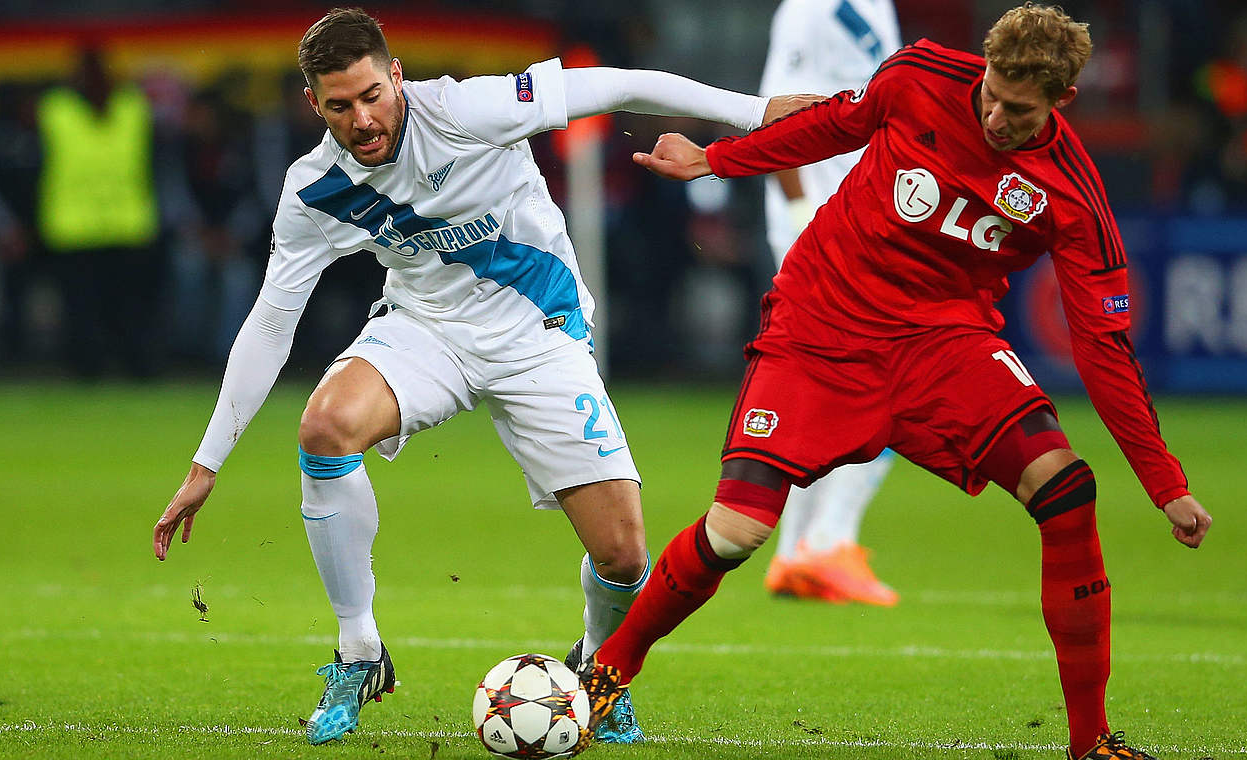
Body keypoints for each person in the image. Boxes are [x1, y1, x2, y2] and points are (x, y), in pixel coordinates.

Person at [149, 7, 811, 748]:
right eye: (340, 105)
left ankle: (597, 669)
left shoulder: (466, 109)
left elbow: (620, 85)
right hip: (425, 330)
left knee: (624, 555)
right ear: (315, 104)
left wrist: (752, 112)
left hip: (539, 334)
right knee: (325, 426)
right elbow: (272, 321)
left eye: (373, 95)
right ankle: (358, 651)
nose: (363, 118)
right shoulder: (315, 190)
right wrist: (207, 463)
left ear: (395, 75)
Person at [578, 5, 1213, 760]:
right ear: (983, 66)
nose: (997, 116)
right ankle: (607, 673)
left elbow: (1104, 348)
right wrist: (718, 161)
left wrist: (1164, 481)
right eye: (992, 95)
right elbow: (835, 125)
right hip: (821, 323)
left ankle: (1091, 742)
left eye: (1019, 110)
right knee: (735, 533)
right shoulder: (921, 77)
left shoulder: (1071, 196)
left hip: (944, 344)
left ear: (1062, 101)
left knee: (1067, 488)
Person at [758, 0, 903, 607]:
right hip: (827, 223)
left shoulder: (871, 6)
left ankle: (797, 554)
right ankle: (827, 543)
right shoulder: (816, 9)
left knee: (828, 392)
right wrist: (799, 220)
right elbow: (773, 116)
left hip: (865, 215)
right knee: (896, 379)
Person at [36, 46, 164, 379]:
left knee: (119, 309)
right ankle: (106, 370)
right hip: (93, 225)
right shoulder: (126, 106)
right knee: (96, 309)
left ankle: (120, 369)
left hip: (104, 224)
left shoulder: (59, 109)